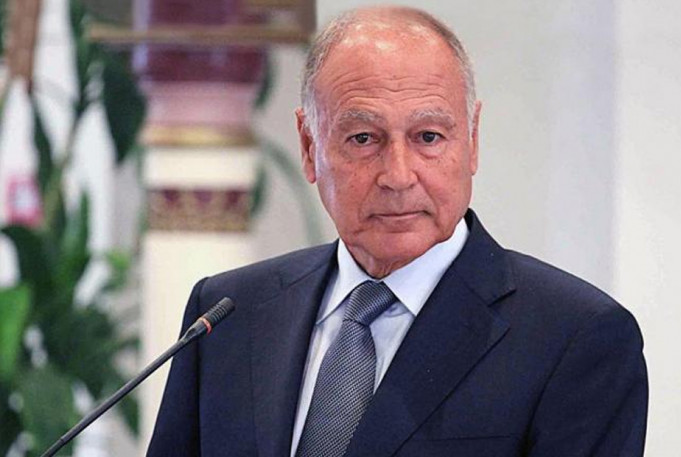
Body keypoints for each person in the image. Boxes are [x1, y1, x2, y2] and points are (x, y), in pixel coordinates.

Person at [147, 6, 648, 457]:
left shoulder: (576, 338)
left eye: (428, 137)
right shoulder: (228, 314)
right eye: (363, 138)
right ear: (309, 146)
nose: (398, 175)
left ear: (472, 141)